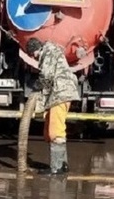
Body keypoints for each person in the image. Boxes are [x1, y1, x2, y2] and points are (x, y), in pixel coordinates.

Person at [26, 37, 80, 175]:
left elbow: (46, 75)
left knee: (55, 131)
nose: (35, 58)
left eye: (34, 55)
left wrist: (36, 87)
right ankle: (63, 165)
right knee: (51, 129)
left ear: (35, 50)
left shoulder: (48, 52)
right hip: (59, 93)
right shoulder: (52, 51)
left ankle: (56, 168)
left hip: (61, 93)